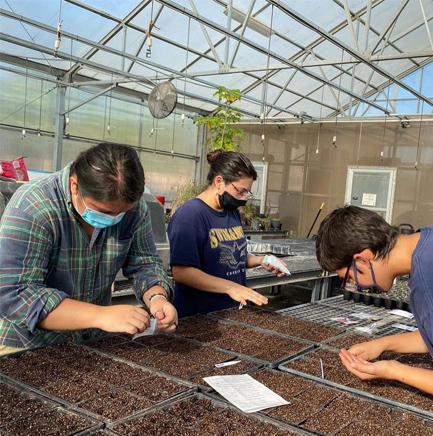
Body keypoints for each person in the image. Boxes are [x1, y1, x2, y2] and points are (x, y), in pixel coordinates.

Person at [315, 205, 433, 436]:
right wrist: (384, 343)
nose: (357, 286)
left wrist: (393, 370)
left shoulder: (432, 286)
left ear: (363, 258)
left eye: (348, 278)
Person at [0, 142, 177, 355]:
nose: (113, 219)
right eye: (103, 211)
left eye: (120, 213)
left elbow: (144, 263)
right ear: (75, 185)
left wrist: (157, 298)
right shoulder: (34, 206)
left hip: (93, 341)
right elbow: (15, 294)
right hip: (29, 344)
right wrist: (101, 316)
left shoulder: (134, 208)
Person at [167, 149, 286, 318]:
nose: (243, 198)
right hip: (199, 317)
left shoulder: (231, 212)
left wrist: (262, 260)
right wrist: (231, 287)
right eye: (240, 191)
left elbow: (235, 256)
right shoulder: (190, 216)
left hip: (229, 312)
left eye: (247, 193)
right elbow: (182, 272)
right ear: (219, 182)